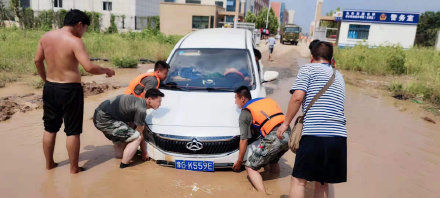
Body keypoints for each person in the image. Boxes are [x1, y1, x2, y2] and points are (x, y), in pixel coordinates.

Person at [34, 9, 115, 174]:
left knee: (50, 128)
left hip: (50, 87)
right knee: (73, 130)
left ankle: (49, 165)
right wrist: (106, 70)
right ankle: (74, 169)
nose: (84, 32)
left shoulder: (46, 37)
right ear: (79, 24)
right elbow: (89, 67)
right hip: (70, 89)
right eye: (85, 28)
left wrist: (45, 79)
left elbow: (37, 60)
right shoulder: (75, 41)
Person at [276, 40, 347, 198]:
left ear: (312, 57)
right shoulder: (339, 76)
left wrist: (285, 123)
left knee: (298, 180)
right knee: (322, 182)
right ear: (331, 59)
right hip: (339, 137)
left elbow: (297, 97)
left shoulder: (308, 69)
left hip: (315, 134)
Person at [232, 86, 290, 194]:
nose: (235, 102)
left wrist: (239, 162)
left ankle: (262, 194)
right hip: (288, 134)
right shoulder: (265, 100)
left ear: (243, 99)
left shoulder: (245, 113)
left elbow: (243, 140)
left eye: (236, 99)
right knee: (273, 162)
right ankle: (276, 187)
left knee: (250, 166)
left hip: (275, 136)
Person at [93, 89, 164, 168]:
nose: (160, 104)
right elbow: (139, 133)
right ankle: (124, 165)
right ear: (149, 99)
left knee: (120, 154)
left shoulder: (137, 101)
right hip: (104, 119)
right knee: (137, 137)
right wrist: (144, 153)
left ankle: (121, 154)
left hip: (100, 114)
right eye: (159, 101)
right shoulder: (141, 110)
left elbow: (132, 125)